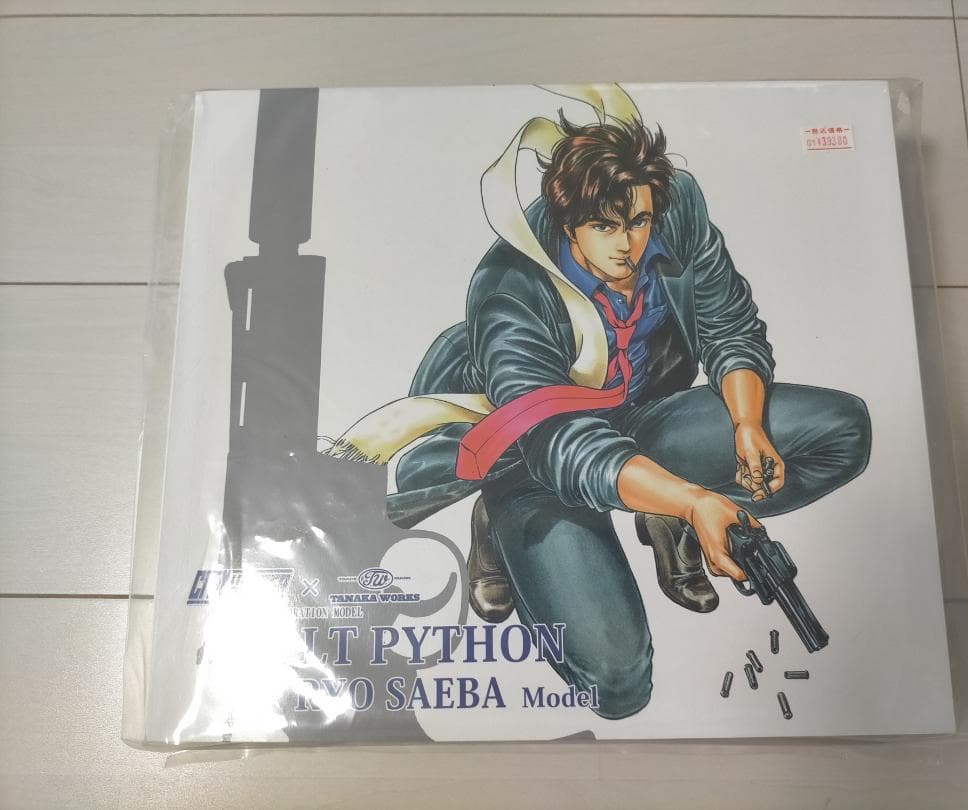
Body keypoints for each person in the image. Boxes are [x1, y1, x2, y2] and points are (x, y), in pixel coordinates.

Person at [334, 86, 871, 719]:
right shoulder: (510, 288)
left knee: (843, 432)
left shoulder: (674, 207)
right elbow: (564, 445)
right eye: (605, 227)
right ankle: (507, 524)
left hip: (642, 420)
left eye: (638, 222)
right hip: (536, 463)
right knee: (618, 685)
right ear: (569, 225)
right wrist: (694, 498)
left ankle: (661, 511)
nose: (628, 244)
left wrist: (747, 423)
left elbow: (729, 323)